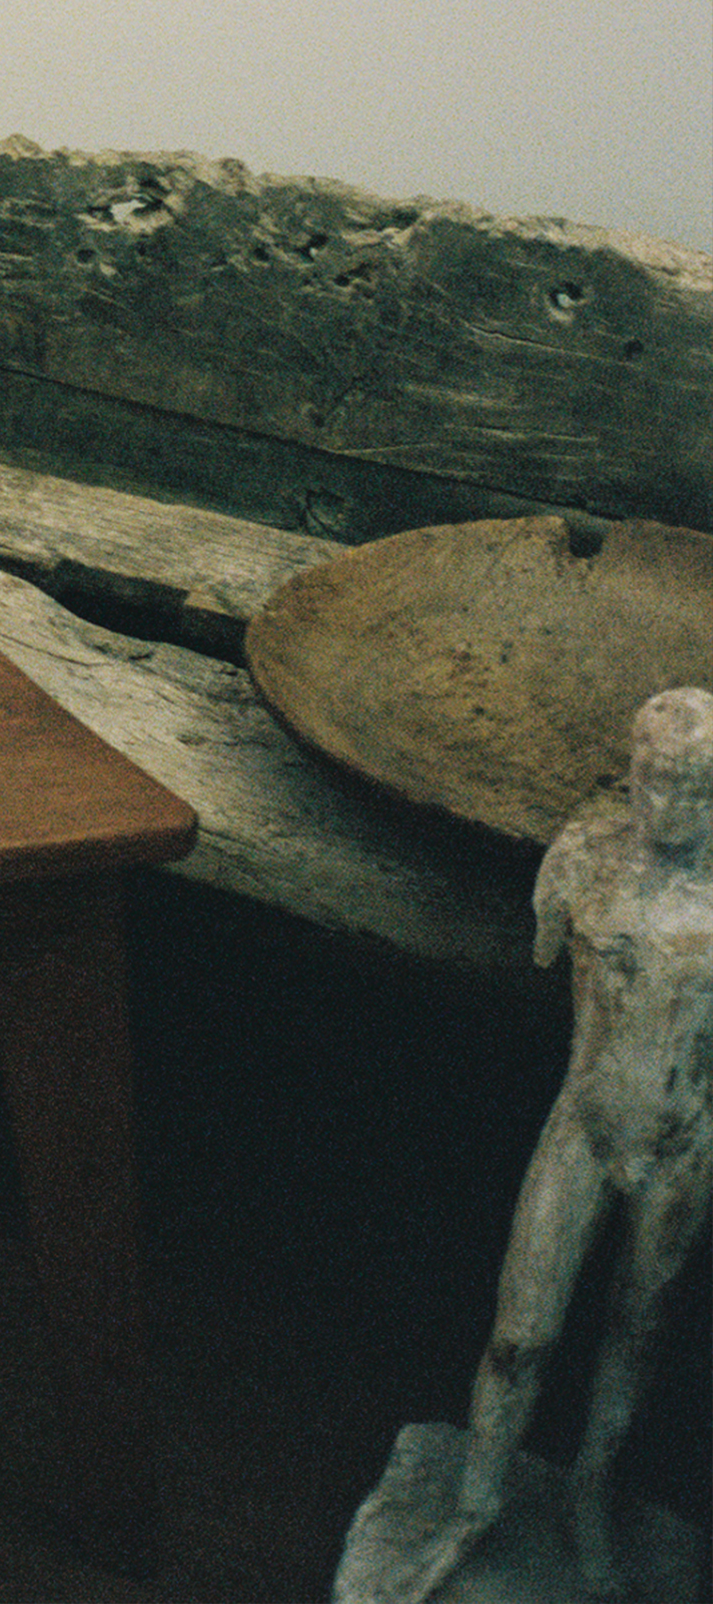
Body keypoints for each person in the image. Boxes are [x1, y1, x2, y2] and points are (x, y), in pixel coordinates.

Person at [401, 685, 713, 1601]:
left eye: (696, 790)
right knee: (521, 1335)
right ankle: (474, 1509)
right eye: (655, 784)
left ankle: (589, 1499)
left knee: (636, 1335)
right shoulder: (584, 857)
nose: (672, 809)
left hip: (688, 1141)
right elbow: (547, 957)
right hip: (583, 1122)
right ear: (630, 773)